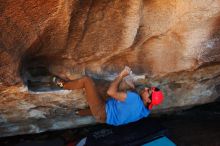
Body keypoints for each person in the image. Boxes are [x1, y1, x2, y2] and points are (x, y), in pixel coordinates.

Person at [53, 66, 164, 126]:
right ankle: (77, 113)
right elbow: (129, 106)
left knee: (87, 81)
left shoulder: (134, 99)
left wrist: (122, 75)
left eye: (148, 91)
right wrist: (132, 88)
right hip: (107, 120)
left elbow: (111, 92)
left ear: (148, 99)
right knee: (97, 107)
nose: (145, 89)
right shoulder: (145, 111)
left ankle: (62, 84)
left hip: (102, 111)